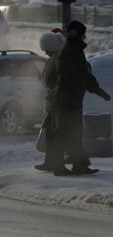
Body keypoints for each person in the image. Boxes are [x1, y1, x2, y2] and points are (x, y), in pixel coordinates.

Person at [53, 21, 110, 175]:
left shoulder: (72, 50)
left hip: (71, 99)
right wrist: (98, 91)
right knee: (67, 133)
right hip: (68, 100)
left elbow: (82, 75)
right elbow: (82, 75)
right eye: (82, 33)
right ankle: (62, 166)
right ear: (75, 33)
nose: (85, 37)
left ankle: (78, 165)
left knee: (72, 133)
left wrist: (97, 90)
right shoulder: (72, 51)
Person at [34, 31, 66, 173]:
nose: (45, 52)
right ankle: (50, 162)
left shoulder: (59, 60)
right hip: (51, 103)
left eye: (46, 49)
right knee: (49, 133)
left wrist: (53, 94)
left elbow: (61, 81)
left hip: (57, 103)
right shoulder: (52, 60)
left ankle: (57, 164)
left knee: (57, 134)